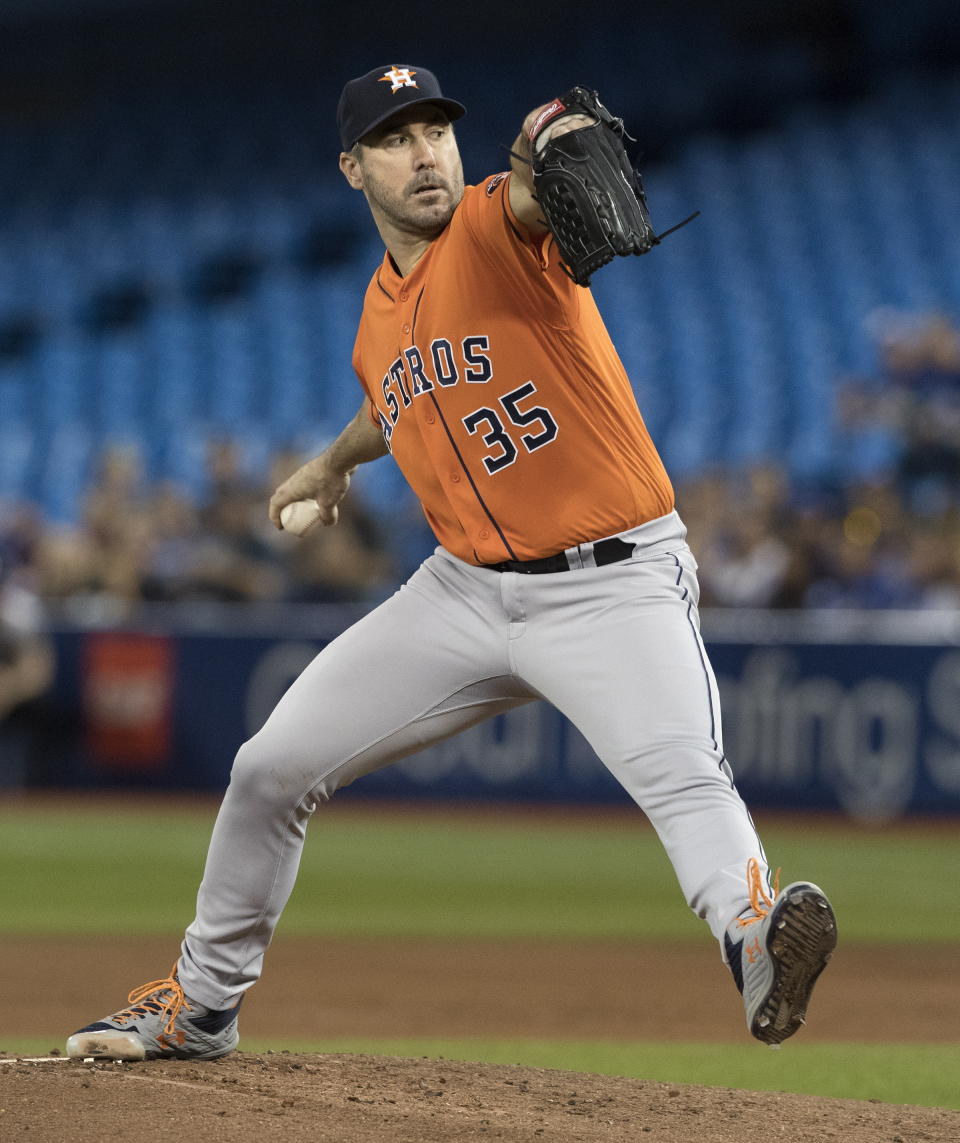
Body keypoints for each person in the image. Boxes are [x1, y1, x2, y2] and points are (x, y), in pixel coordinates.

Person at [67, 64, 836, 1061]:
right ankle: (202, 1008)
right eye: (394, 137)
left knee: (683, 774)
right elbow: (393, 400)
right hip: (464, 592)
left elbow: (535, 180)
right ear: (352, 168)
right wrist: (332, 462)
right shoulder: (377, 313)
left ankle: (754, 941)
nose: (424, 151)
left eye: (436, 129)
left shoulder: (493, 227)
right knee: (268, 770)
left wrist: (556, 131)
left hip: (612, 585)